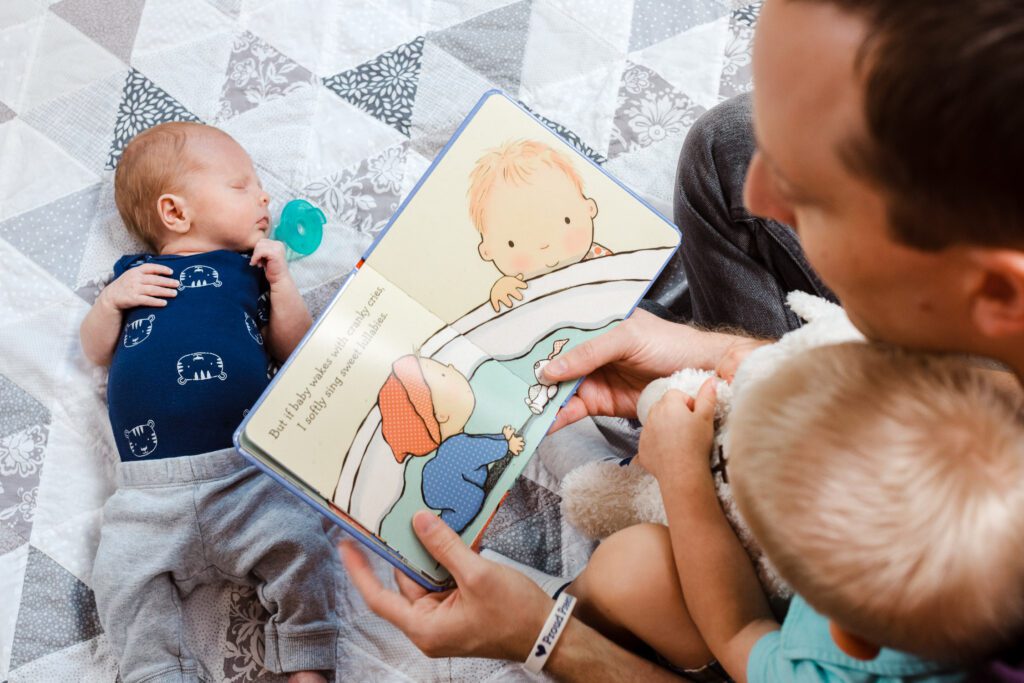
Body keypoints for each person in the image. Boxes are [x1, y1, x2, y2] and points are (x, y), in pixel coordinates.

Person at [340, 0, 1024, 679]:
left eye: (810, 192)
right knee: (727, 145)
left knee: (633, 572)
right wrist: (718, 354)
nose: (758, 194)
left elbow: (754, 644)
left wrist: (539, 636)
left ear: (994, 295)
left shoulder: (905, 606)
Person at [82, 122, 337, 683]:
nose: (264, 197)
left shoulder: (254, 272)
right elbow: (95, 350)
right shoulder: (134, 277)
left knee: (304, 544)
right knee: (120, 577)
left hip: (245, 474)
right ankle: (154, 671)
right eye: (242, 185)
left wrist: (284, 283)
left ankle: (307, 661)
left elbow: (292, 349)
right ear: (175, 213)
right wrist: (109, 304)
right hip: (149, 492)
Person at [469, 139, 612, 311]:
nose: (545, 244)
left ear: (589, 208)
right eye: (512, 243)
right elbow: (509, 314)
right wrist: (501, 293)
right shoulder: (518, 284)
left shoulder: (598, 259)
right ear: (487, 251)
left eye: (566, 220)